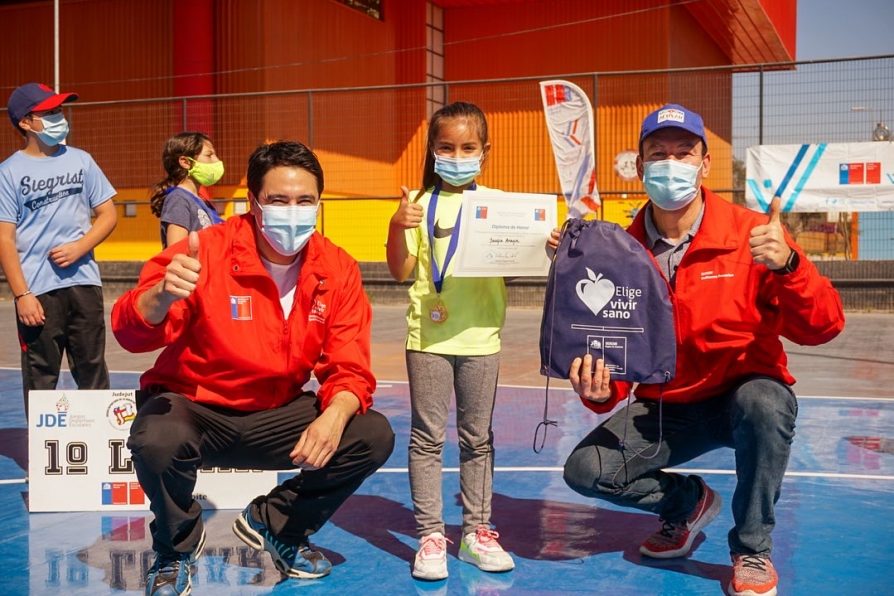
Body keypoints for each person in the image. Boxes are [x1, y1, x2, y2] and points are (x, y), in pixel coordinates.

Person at [556, 104, 845, 596]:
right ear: (642, 166)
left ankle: (752, 551)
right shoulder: (618, 253)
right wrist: (600, 392)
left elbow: (824, 327)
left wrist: (791, 265)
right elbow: (619, 359)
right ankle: (687, 504)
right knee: (585, 471)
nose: (671, 164)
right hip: (666, 407)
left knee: (764, 403)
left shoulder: (753, 234)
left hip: (741, 396)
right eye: (658, 154)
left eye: (683, 153)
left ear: (705, 162)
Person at [111, 140, 395, 595]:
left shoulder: (336, 267)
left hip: (276, 415)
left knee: (371, 433)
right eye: (278, 200)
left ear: (319, 204)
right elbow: (131, 333)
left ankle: (276, 524)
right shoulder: (205, 250)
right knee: (156, 435)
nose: (293, 210)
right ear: (253, 203)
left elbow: (350, 367)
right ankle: (175, 549)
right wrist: (161, 296)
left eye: (305, 201)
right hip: (198, 409)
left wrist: (335, 415)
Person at [386, 101, 515, 581]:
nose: (457, 154)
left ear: (485, 151)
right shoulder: (417, 204)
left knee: (477, 438)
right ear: (433, 150)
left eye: (468, 147)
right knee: (427, 437)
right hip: (429, 338)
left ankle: (477, 532)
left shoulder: (500, 204)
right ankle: (430, 536)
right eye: (446, 147)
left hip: (483, 338)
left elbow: (527, 257)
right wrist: (397, 227)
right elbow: (400, 271)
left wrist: (545, 244)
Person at [0, 82, 117, 415]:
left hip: (84, 285)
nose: (58, 118)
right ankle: (42, 457)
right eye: (48, 112)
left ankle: (99, 446)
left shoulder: (82, 161)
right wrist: (22, 295)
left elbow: (108, 214)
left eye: (59, 111)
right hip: (38, 293)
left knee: (92, 370)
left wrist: (81, 246)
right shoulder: (8, 173)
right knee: (41, 376)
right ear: (25, 122)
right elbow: (4, 238)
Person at [149, 131, 225, 248]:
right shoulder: (178, 200)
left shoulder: (201, 201)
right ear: (185, 162)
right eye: (209, 155)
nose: (217, 160)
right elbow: (176, 250)